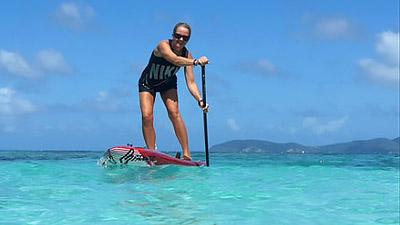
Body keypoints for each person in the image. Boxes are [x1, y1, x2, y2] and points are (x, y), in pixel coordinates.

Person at [138, 22, 209, 161]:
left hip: (167, 83)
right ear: (173, 35)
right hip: (148, 83)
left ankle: (187, 154)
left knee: (174, 113)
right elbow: (174, 60)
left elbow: (191, 82)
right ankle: (152, 153)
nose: (181, 40)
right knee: (147, 115)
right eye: (178, 36)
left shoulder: (187, 55)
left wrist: (200, 100)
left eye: (185, 38)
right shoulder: (163, 45)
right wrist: (195, 62)